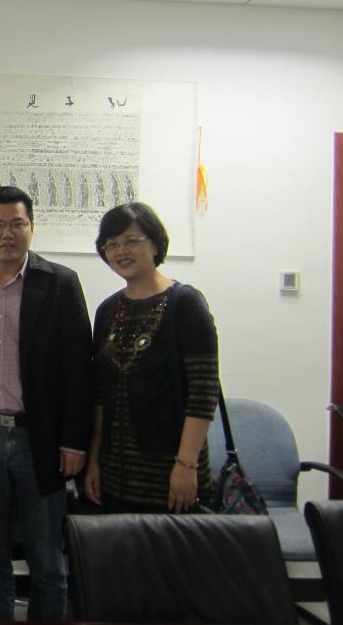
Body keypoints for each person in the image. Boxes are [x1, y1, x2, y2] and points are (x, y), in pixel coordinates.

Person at [0, 186, 92, 622]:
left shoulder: (60, 283)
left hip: (38, 438)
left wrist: (74, 441)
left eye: (17, 223)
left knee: (47, 558)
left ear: (32, 227)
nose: (8, 233)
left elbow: (78, 368)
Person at [83, 202, 219, 514]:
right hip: (115, 476)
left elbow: (203, 392)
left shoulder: (185, 304)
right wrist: (94, 460)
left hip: (170, 474)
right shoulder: (107, 311)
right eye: (112, 244)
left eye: (132, 240)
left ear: (156, 244)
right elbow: (100, 394)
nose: (121, 251)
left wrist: (186, 465)